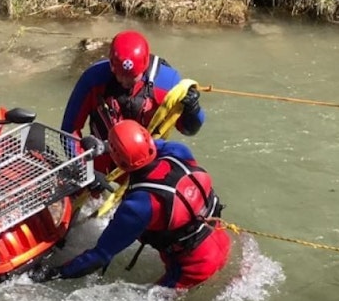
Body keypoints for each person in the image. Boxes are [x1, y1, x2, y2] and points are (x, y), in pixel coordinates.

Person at [37, 120, 230, 289]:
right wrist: (105, 147)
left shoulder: (138, 206)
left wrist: (50, 274)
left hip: (193, 268)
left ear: (118, 161)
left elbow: (99, 256)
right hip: (221, 237)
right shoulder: (178, 152)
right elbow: (148, 147)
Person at [61, 30, 205, 173]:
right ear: (112, 67)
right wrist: (83, 169)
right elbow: (69, 131)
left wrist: (193, 110)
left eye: (132, 76)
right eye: (120, 75)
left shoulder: (167, 82)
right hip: (104, 164)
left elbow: (188, 130)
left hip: (147, 164)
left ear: (144, 67)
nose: (125, 81)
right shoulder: (93, 79)